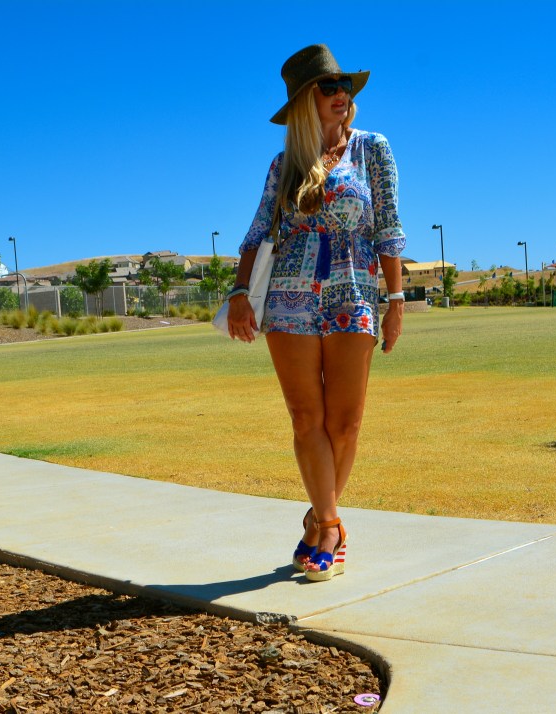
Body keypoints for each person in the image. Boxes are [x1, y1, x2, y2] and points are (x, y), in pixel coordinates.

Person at [226, 44, 406, 582]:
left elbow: (390, 228)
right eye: (329, 88)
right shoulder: (285, 164)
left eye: (345, 86)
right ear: (307, 100)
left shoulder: (373, 150)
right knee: (307, 418)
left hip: (352, 293)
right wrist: (238, 293)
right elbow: (257, 233)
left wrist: (395, 301)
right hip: (289, 299)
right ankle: (330, 527)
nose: (341, 96)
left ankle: (314, 516)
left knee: (345, 422)